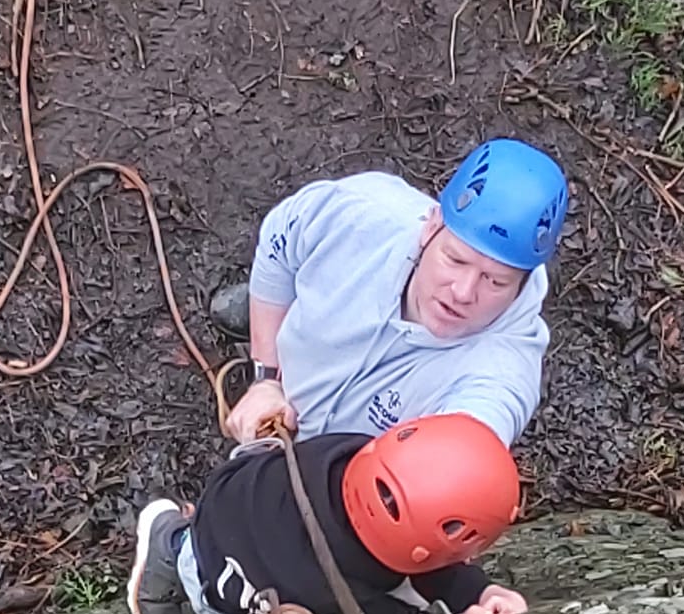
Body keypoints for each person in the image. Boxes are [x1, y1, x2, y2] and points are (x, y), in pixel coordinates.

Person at [223, 137, 568, 449]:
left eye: (495, 282)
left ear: (523, 283)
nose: (463, 293)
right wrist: (265, 378)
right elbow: (279, 241)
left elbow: (476, 435)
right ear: (431, 227)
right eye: (455, 259)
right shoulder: (358, 213)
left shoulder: (503, 370)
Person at [126, 413, 528, 614]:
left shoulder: (351, 448)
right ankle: (172, 544)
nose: (472, 559)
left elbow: (411, 525)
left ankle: (191, 525)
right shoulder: (346, 598)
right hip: (219, 563)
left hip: (237, 488)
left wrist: (481, 591)